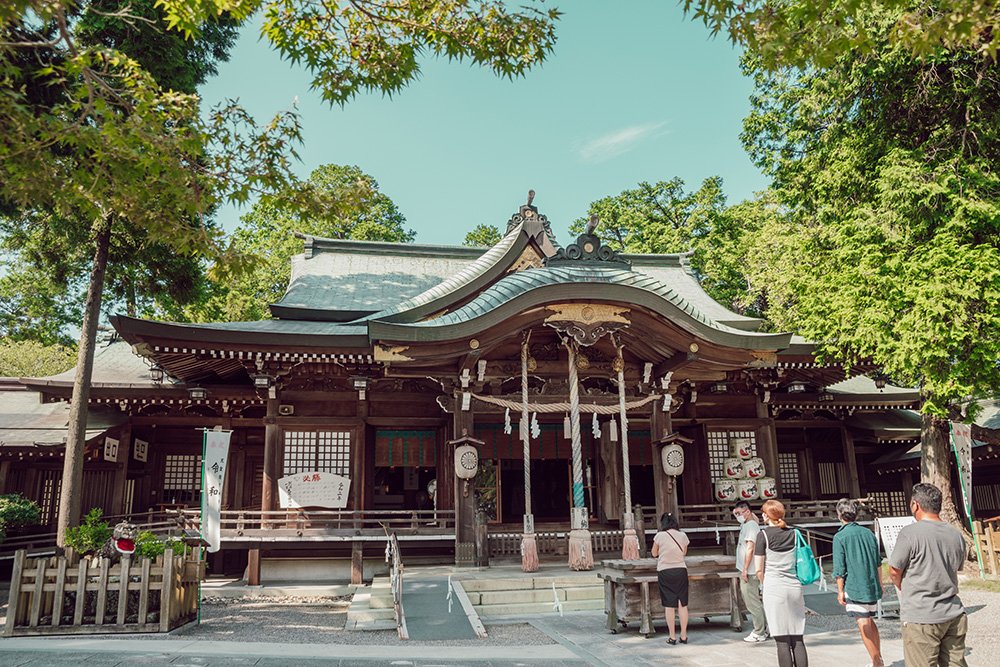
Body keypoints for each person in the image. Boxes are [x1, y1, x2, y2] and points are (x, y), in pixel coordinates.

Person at [889, 483, 968, 667]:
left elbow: (894, 570)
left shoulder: (910, 533)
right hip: (953, 611)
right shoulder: (956, 534)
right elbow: (956, 567)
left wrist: (901, 585)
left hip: (921, 614)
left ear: (915, 504)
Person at [755, 499, 808, 667]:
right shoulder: (794, 533)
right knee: (797, 637)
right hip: (794, 586)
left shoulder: (762, 535)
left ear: (766, 515)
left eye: (763, 512)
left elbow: (758, 569)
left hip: (774, 586)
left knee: (782, 639)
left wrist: (765, 583)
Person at [832, 498, 884, 667]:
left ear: (840, 515)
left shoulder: (840, 536)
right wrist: (880, 583)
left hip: (855, 584)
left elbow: (839, 567)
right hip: (871, 582)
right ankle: (877, 657)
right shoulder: (868, 533)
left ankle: (877, 661)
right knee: (869, 619)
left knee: (863, 623)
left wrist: (840, 590)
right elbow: (878, 561)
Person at [732, 500, 769, 643]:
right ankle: (764, 628)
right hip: (749, 569)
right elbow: (755, 518)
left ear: (747, 512)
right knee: (753, 600)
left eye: (740, 513)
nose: (737, 516)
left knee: (752, 601)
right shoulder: (748, 524)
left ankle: (759, 631)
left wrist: (745, 569)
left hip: (751, 570)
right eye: (736, 514)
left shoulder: (751, 526)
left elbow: (750, 548)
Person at [651, 512, 690, 644]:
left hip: (665, 571)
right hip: (680, 570)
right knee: (682, 603)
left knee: (669, 604)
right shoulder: (683, 535)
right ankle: (683, 636)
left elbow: (654, 553)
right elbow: (684, 552)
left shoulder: (659, 536)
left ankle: (672, 636)